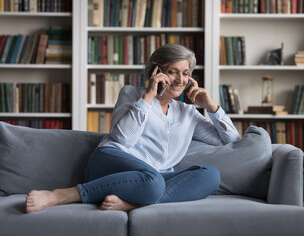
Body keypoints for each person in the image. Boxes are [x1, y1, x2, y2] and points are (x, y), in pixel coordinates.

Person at [25, 44, 241, 213]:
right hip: (110, 162)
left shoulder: (188, 113)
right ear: (157, 72)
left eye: (185, 73)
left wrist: (211, 107)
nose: (180, 79)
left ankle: (134, 204)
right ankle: (61, 195)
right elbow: (123, 139)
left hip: (149, 182)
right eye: (173, 71)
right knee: (153, 180)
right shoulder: (131, 94)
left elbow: (231, 139)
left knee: (211, 175)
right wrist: (148, 96)